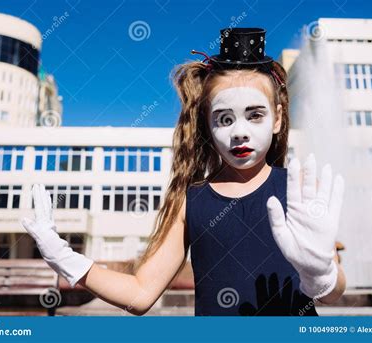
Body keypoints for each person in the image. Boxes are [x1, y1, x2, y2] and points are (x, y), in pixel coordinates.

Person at [22, 28, 346, 316]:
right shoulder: (191, 202)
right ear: (207, 123)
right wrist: (62, 256)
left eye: (255, 115)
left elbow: (333, 293)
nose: (239, 133)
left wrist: (321, 275)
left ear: (276, 118)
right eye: (224, 118)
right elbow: (140, 293)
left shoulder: (302, 190)